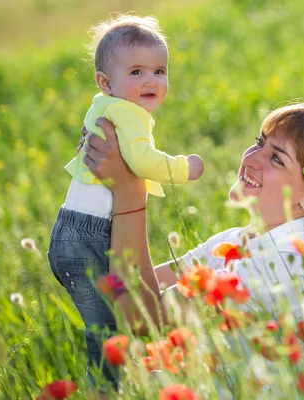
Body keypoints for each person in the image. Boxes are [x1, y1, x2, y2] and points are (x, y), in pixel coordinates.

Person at [81, 102, 304, 393]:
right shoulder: (233, 241)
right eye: (260, 142)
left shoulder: (289, 261)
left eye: (276, 158)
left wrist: (130, 191)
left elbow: (139, 315)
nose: (251, 158)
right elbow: (129, 291)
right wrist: (123, 162)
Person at [48, 14, 204, 391]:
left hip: (69, 229)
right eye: (136, 72)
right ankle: (107, 390)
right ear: (106, 81)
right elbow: (142, 161)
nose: (151, 81)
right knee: (111, 333)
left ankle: (117, 385)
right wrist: (185, 168)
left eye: (159, 71)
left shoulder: (103, 105)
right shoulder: (130, 113)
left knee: (105, 326)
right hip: (92, 236)